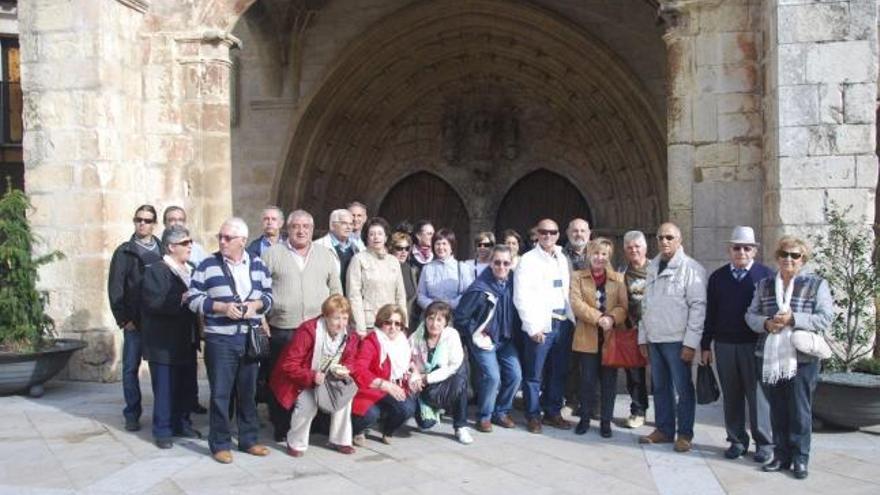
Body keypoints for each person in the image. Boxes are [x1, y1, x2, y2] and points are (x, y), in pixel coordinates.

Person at [186, 217, 274, 464]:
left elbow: (269, 296)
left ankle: (249, 439)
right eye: (220, 237)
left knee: (248, 392)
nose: (222, 242)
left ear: (243, 241)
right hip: (220, 341)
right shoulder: (207, 265)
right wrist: (221, 307)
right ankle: (220, 443)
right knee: (220, 394)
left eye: (228, 238)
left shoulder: (257, 264)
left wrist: (255, 305)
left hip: (249, 338)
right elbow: (192, 298)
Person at [745, 236, 833, 480]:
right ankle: (781, 455)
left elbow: (825, 317)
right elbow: (750, 315)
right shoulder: (764, 285)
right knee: (777, 410)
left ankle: (800, 459)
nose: (789, 259)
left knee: (800, 411)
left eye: (795, 255)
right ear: (777, 257)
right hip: (770, 356)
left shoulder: (816, 284)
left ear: (803, 259)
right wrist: (766, 323)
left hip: (802, 359)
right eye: (784, 254)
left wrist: (794, 320)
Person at [261, 210, 343, 441]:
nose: (301, 230)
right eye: (296, 226)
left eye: (306, 226)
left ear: (312, 229)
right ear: (287, 228)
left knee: (314, 377)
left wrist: (337, 320)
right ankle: (281, 425)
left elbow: (336, 290)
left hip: (316, 329)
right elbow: (259, 289)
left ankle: (315, 424)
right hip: (283, 328)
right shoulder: (272, 254)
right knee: (281, 379)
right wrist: (261, 319)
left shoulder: (326, 255)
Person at [702, 226, 774, 463]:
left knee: (757, 397)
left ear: (754, 251)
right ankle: (736, 440)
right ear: (729, 250)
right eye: (737, 247)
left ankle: (764, 443)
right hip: (724, 345)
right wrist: (705, 345)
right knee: (731, 395)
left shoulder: (766, 276)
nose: (741, 251)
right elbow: (710, 313)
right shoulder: (718, 277)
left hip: (755, 345)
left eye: (746, 248)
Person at [638, 222, 706, 453]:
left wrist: (690, 343)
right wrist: (642, 337)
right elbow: (645, 304)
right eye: (660, 238)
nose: (664, 241)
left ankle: (684, 433)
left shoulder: (691, 268)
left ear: (679, 240)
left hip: (678, 341)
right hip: (655, 338)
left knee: (683, 389)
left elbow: (698, 308)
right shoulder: (652, 267)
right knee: (660, 388)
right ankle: (664, 429)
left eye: (669, 237)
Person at [269, 295, 360, 457]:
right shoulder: (308, 330)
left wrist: (346, 369)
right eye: (336, 318)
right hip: (302, 379)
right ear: (325, 317)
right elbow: (289, 365)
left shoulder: (350, 335)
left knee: (345, 397)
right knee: (307, 405)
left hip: (331, 378)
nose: (341, 323)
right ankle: (296, 442)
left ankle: (341, 440)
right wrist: (312, 376)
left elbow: (351, 360)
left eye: (345, 318)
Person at [140, 225, 202, 449]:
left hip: (186, 339)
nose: (190, 246)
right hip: (163, 342)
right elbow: (152, 302)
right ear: (171, 247)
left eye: (190, 241)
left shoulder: (191, 269)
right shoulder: (156, 269)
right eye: (185, 243)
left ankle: (182, 423)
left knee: (184, 385)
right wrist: (182, 298)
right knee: (165, 388)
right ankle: (163, 430)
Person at [513, 218, 575, 433]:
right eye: (543, 232)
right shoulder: (528, 260)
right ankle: (533, 415)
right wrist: (532, 327)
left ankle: (553, 412)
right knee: (534, 374)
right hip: (540, 324)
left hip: (562, 322)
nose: (548, 236)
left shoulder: (561, 257)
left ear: (558, 235)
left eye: (552, 232)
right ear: (537, 234)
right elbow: (520, 297)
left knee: (558, 372)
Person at [108, 204, 163, 432]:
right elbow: (115, 288)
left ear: (154, 224)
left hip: (158, 322)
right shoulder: (124, 251)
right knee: (130, 368)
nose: (142, 223)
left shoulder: (163, 250)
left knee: (160, 369)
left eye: (147, 220)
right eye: (138, 219)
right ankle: (132, 413)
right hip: (134, 322)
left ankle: (163, 412)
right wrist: (123, 319)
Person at [455, 245, 522, 433]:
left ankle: (501, 412)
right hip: (483, 340)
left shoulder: (514, 282)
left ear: (511, 263)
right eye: (497, 262)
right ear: (490, 263)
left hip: (505, 339)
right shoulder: (479, 288)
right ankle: (484, 416)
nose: (502, 266)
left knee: (516, 375)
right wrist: (475, 331)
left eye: (506, 263)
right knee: (493, 377)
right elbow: (460, 317)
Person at [570, 238, 628, 438]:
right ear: (589, 254)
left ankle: (605, 421)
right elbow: (576, 304)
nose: (599, 258)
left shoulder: (618, 279)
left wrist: (612, 318)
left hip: (610, 338)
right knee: (587, 381)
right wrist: (599, 318)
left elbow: (623, 307)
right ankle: (585, 419)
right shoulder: (577, 276)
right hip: (587, 337)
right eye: (596, 253)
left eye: (604, 254)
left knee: (609, 383)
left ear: (609, 256)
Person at [350, 304, 418, 445]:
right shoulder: (372, 341)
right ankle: (357, 430)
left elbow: (408, 361)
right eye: (388, 322)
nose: (393, 327)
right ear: (381, 323)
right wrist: (383, 383)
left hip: (392, 388)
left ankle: (387, 430)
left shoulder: (402, 341)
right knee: (370, 414)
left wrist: (415, 372)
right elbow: (359, 370)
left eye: (397, 324)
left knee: (408, 408)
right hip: (370, 388)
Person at [409, 301, 473, 444]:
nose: (434, 324)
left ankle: (460, 426)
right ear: (425, 319)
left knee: (460, 377)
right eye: (431, 318)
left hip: (445, 379)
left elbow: (454, 365)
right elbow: (405, 359)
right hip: (423, 387)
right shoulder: (416, 337)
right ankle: (436, 407)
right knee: (426, 425)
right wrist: (414, 373)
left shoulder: (451, 335)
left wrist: (427, 378)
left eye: (439, 320)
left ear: (446, 322)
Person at [347, 217, 408, 334]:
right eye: (372, 234)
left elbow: (400, 295)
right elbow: (354, 296)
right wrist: (360, 327)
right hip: (369, 323)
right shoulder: (358, 260)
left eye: (380, 234)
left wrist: (403, 324)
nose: (376, 237)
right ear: (366, 238)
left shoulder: (393, 261)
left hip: (392, 323)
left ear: (386, 237)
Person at [619, 231, 651, 428]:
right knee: (635, 375)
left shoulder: (655, 269)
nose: (634, 250)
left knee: (662, 374)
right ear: (625, 250)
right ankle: (638, 411)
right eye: (630, 247)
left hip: (657, 329)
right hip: (632, 330)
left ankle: (668, 415)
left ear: (645, 248)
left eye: (637, 246)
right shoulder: (621, 272)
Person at [562, 218, 591, 414]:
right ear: (567, 233)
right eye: (575, 231)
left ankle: (591, 404)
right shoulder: (559, 255)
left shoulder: (599, 255)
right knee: (569, 361)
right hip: (568, 316)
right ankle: (570, 401)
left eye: (582, 231)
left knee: (592, 363)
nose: (578, 234)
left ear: (589, 233)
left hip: (592, 316)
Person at [417, 228, 474, 311]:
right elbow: (420, 295)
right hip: (431, 315)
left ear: (452, 247)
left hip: (454, 315)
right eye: (438, 244)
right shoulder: (427, 268)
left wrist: (450, 304)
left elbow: (468, 294)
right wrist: (433, 305)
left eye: (444, 244)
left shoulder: (462, 268)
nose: (441, 247)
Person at [314, 209, 361, 291]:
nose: (349, 227)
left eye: (351, 224)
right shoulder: (317, 246)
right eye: (344, 223)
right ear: (332, 225)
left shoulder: (356, 248)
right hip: (328, 298)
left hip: (349, 298)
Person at [390, 232, 419, 331]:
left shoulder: (411, 269)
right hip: (390, 323)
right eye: (399, 248)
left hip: (408, 324)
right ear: (391, 249)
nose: (403, 252)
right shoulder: (386, 269)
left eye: (407, 248)